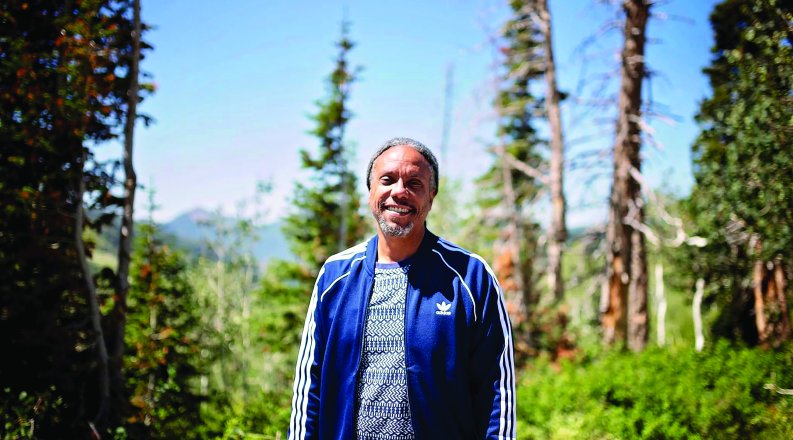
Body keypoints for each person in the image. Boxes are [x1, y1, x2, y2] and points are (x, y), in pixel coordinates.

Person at [289, 137, 516, 440]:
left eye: (414, 183)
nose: (399, 191)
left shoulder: (471, 277)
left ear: (431, 197)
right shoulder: (335, 277)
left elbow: (496, 391)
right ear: (370, 190)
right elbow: (309, 388)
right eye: (387, 180)